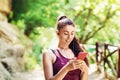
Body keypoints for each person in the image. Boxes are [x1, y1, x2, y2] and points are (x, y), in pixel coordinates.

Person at [42, 15, 89, 80]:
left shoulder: (77, 52)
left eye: (72, 33)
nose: (69, 37)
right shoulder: (49, 54)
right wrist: (67, 68)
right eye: (66, 34)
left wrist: (85, 70)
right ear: (57, 33)